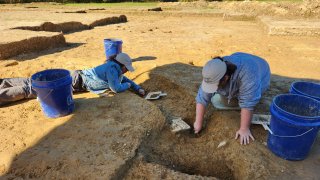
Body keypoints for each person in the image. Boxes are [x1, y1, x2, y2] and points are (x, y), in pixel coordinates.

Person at [0, 53, 145, 106]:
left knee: (31, 82)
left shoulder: (114, 68)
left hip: (76, 76)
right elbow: (116, 88)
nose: (127, 71)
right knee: (33, 89)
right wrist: (126, 85)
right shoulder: (113, 69)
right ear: (121, 65)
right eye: (126, 67)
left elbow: (125, 78)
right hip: (75, 81)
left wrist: (137, 88)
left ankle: (3, 82)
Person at [194, 52, 270, 145]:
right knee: (226, 100)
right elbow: (203, 96)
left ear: (225, 78)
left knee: (243, 99)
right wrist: (198, 123)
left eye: (215, 85)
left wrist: (244, 129)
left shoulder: (248, 74)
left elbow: (248, 103)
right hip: (242, 59)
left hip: (261, 73)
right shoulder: (214, 70)